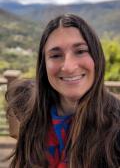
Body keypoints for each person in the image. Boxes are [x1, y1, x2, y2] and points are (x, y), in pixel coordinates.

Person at [9, 14, 120, 168]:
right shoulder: (32, 111)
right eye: (55, 55)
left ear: (96, 58)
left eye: (80, 51)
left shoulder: (115, 128)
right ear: (43, 65)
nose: (68, 67)